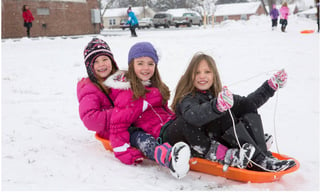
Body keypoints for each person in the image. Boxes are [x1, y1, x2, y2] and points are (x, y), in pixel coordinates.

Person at [164, 52, 296, 172]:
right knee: (222, 113)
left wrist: (270, 87)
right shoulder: (187, 99)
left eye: (207, 72)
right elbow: (194, 116)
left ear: (214, 75)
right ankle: (247, 157)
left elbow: (248, 104)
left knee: (244, 107)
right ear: (190, 76)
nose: (202, 76)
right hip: (195, 143)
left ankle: (262, 154)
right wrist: (217, 107)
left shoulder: (217, 97)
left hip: (213, 136)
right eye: (197, 72)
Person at [77, 38, 119, 140]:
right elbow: (90, 119)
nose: (101, 64)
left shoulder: (120, 81)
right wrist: (121, 114)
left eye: (105, 59)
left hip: (130, 125)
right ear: (90, 67)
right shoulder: (89, 89)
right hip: (113, 133)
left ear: (112, 61)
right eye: (96, 61)